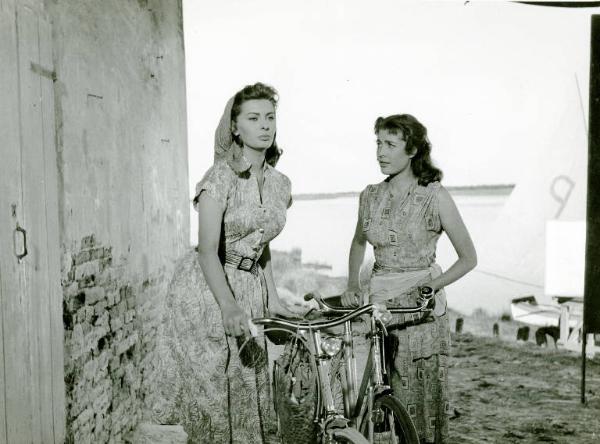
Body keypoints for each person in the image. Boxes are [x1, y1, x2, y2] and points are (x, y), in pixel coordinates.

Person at [153, 82, 294, 443]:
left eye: (269, 117)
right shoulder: (220, 178)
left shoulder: (279, 183)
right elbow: (206, 250)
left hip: (249, 289)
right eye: (253, 118)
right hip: (207, 291)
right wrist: (228, 305)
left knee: (249, 395)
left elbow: (259, 244)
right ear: (235, 127)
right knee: (217, 401)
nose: (264, 125)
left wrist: (273, 298)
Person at [341, 114, 477, 443]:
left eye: (390, 145)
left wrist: (433, 285)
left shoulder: (434, 195)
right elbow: (359, 243)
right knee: (367, 397)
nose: (380, 152)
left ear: (413, 150)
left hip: (420, 313)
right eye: (378, 144)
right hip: (378, 308)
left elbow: (469, 258)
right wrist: (352, 284)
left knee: (419, 409)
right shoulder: (370, 195)